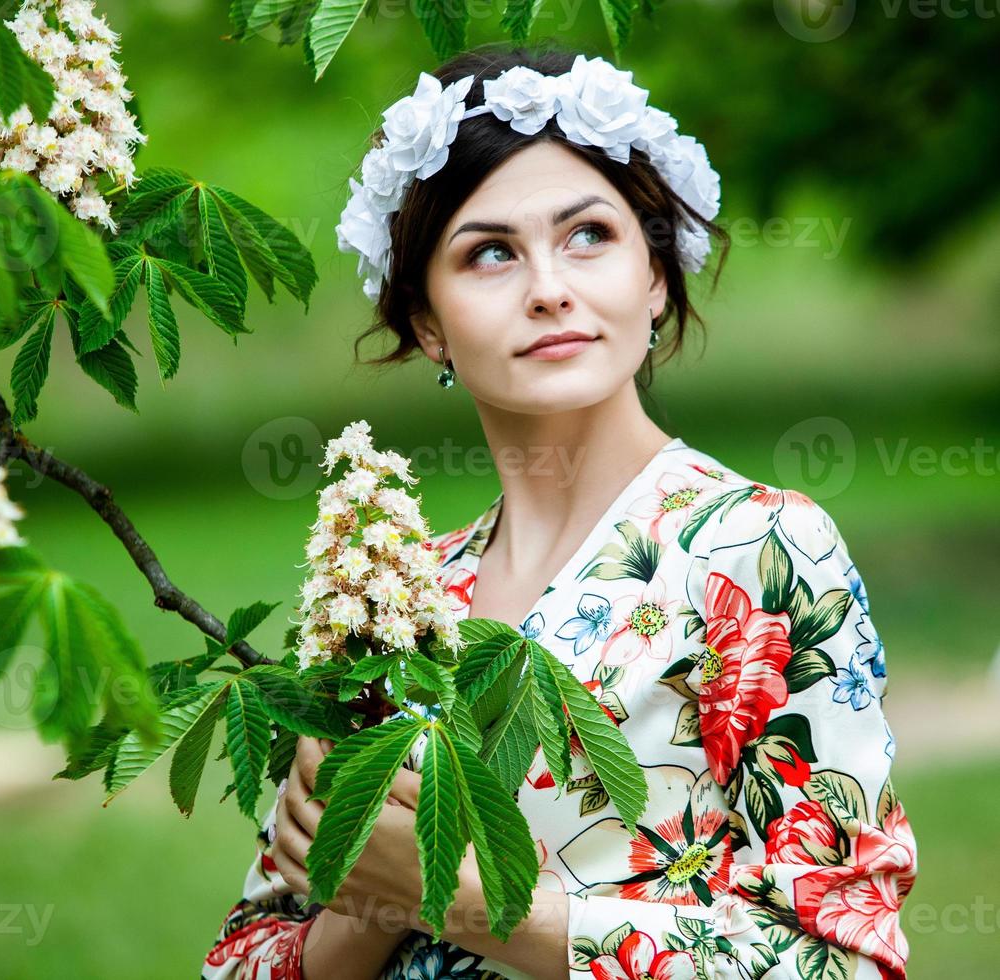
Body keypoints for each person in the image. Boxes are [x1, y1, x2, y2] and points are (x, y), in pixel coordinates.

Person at [203, 42, 917, 980]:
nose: (549, 288)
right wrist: (366, 913)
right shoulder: (385, 598)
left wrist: (457, 902)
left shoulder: (757, 547)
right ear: (425, 321)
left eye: (588, 235)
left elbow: (842, 957)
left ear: (655, 276)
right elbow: (244, 958)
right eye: (489, 252)